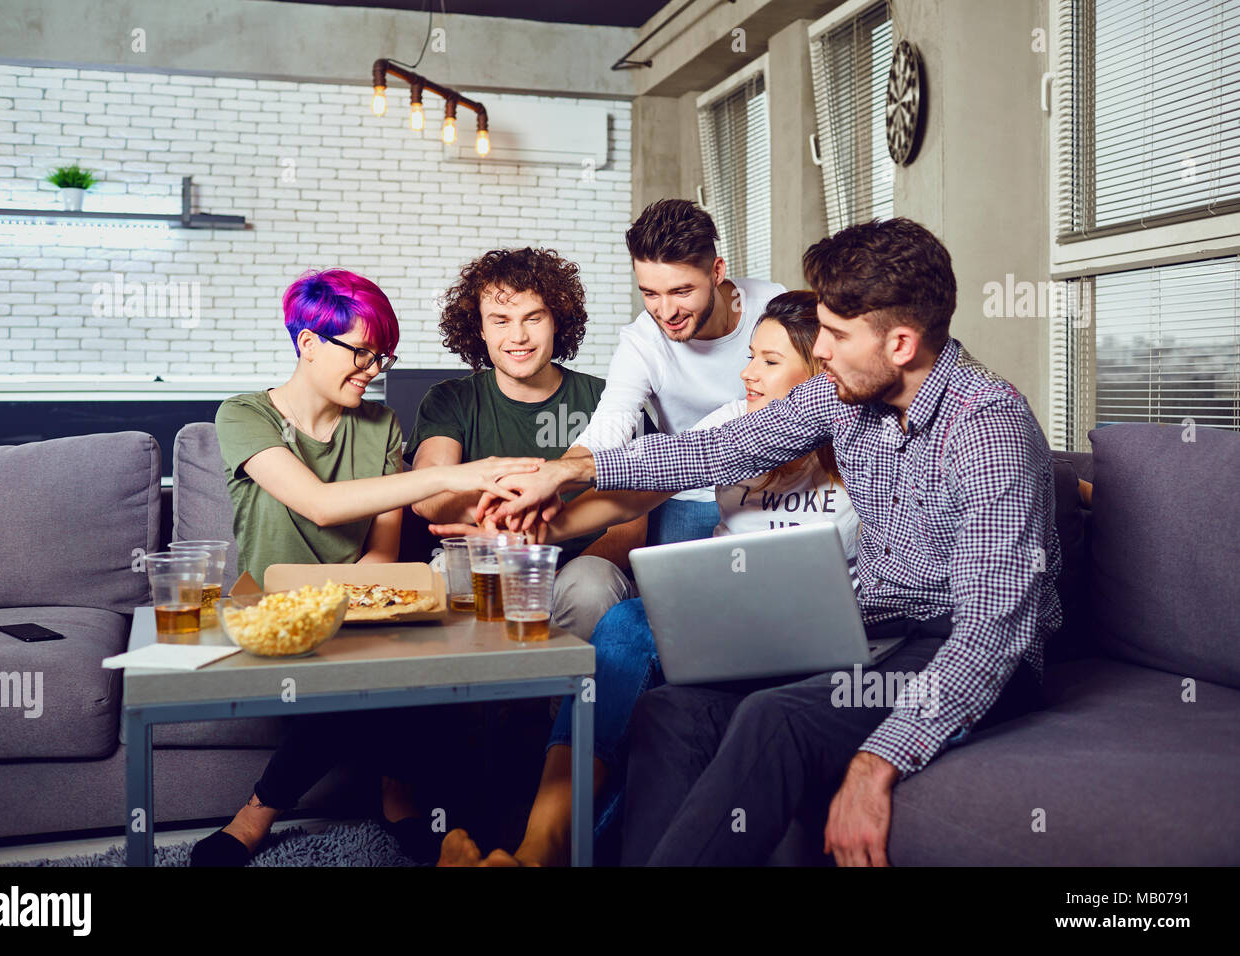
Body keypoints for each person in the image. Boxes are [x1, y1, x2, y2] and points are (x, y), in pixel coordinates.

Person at [483, 218, 1060, 866]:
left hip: (962, 649)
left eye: (837, 336)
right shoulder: (846, 397)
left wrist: (877, 763)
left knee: (774, 717)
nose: (824, 352)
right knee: (670, 712)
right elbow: (714, 449)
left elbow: (991, 635)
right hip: (869, 631)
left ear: (900, 343)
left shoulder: (987, 430)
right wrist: (572, 470)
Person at [430, 291, 859, 866]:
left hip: (814, 632)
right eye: (750, 355)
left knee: (654, 684)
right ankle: (540, 844)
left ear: (820, 372)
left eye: (769, 361)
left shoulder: (863, 445)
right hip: (720, 612)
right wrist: (524, 530)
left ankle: (540, 855)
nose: (746, 372)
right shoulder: (735, 420)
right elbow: (629, 494)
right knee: (628, 625)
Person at [190, 268, 545, 867]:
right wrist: (449, 474)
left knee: (422, 650)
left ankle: (395, 794)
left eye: (382, 357)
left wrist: (362, 603)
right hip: (270, 604)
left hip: (356, 603)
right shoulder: (243, 415)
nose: (373, 369)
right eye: (360, 353)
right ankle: (284, 808)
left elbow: (382, 556)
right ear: (307, 342)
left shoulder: (381, 426)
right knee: (369, 668)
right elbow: (320, 506)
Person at [497, 199, 786, 547]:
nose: (666, 312)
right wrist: (554, 477)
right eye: (650, 293)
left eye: (681, 291)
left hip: (774, 491)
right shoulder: (642, 343)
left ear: (717, 272)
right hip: (682, 491)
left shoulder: (774, 307)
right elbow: (610, 425)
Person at [405, 248, 645, 640]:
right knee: (450, 579)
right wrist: (512, 514)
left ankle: (570, 701)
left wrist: (542, 578)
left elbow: (632, 523)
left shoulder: (609, 398)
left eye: (533, 318)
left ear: (556, 321)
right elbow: (428, 491)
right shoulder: (451, 399)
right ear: (480, 329)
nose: (518, 336)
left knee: (591, 584)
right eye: (500, 321)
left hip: (581, 566)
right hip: (483, 558)